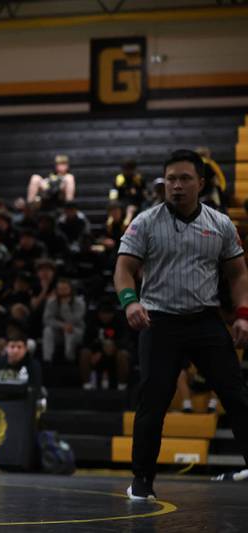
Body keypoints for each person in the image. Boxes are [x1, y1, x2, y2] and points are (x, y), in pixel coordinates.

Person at [114, 149, 248, 498]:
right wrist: (130, 301)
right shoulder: (145, 221)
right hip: (159, 321)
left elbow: (238, 274)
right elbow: (124, 269)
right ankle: (142, 482)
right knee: (152, 403)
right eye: (171, 179)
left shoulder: (220, 224)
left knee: (237, 396)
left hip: (205, 320)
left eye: (185, 179)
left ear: (200, 183)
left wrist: (243, 315)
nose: (176, 185)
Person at [41, 278, 85, 364]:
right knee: (47, 330)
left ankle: (69, 360)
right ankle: (47, 360)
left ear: (71, 289)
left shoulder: (80, 303)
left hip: (76, 330)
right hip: (58, 330)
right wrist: (62, 326)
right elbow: (47, 319)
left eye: (65, 289)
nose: (62, 291)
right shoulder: (51, 302)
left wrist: (65, 306)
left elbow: (74, 321)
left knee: (69, 331)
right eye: (60, 289)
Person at [111, 159, 145, 226]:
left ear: (134, 169)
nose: (127, 171)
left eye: (130, 169)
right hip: (121, 205)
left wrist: (136, 194)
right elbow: (113, 197)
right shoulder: (118, 180)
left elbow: (144, 196)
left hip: (136, 205)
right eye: (125, 169)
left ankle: (127, 226)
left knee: (131, 210)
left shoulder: (139, 180)